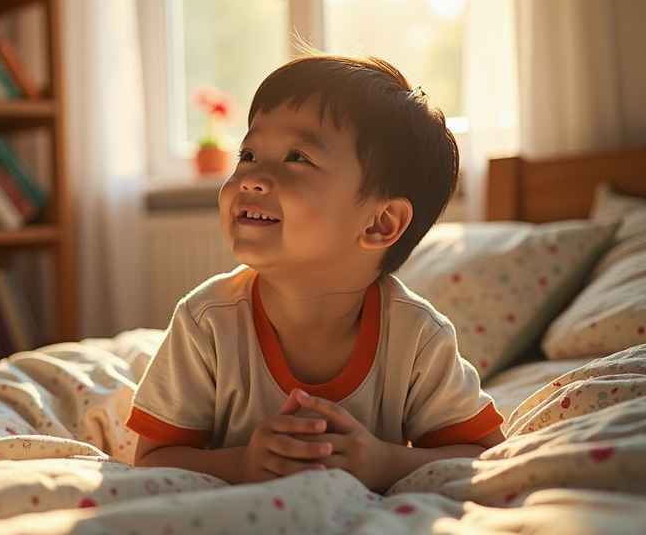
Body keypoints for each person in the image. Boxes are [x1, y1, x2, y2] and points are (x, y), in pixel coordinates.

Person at [126, 54, 505, 493]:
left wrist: (385, 461)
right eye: (248, 154)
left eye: (297, 157)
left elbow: (483, 455)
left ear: (380, 223)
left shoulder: (417, 336)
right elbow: (151, 459)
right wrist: (243, 464)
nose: (251, 177)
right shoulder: (205, 322)